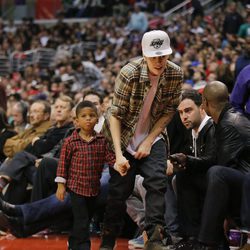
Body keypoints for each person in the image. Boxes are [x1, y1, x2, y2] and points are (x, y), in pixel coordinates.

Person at [100, 30, 183, 250]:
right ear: (144, 55)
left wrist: (148, 141)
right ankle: (107, 242)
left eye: (163, 56)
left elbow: (168, 111)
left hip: (152, 136)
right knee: (119, 192)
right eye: (154, 56)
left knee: (157, 182)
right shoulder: (129, 73)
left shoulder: (175, 74)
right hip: (124, 137)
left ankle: (155, 239)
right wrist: (118, 154)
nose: (159, 61)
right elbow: (115, 114)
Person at [188, 81, 250, 250]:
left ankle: (208, 242)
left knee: (217, 174)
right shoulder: (223, 120)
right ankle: (189, 236)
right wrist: (188, 161)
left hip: (246, 183)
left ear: (204, 102)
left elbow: (223, 167)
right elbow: (215, 159)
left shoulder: (230, 123)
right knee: (185, 176)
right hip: (241, 178)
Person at [55, 101, 115, 250]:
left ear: (97, 118)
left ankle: (73, 243)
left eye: (92, 116)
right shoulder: (70, 142)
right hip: (75, 188)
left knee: (85, 219)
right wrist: (61, 186)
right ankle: (83, 246)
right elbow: (63, 165)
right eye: (84, 116)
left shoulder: (102, 141)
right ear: (76, 121)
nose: (88, 119)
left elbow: (110, 158)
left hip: (93, 188)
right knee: (82, 220)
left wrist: (120, 165)